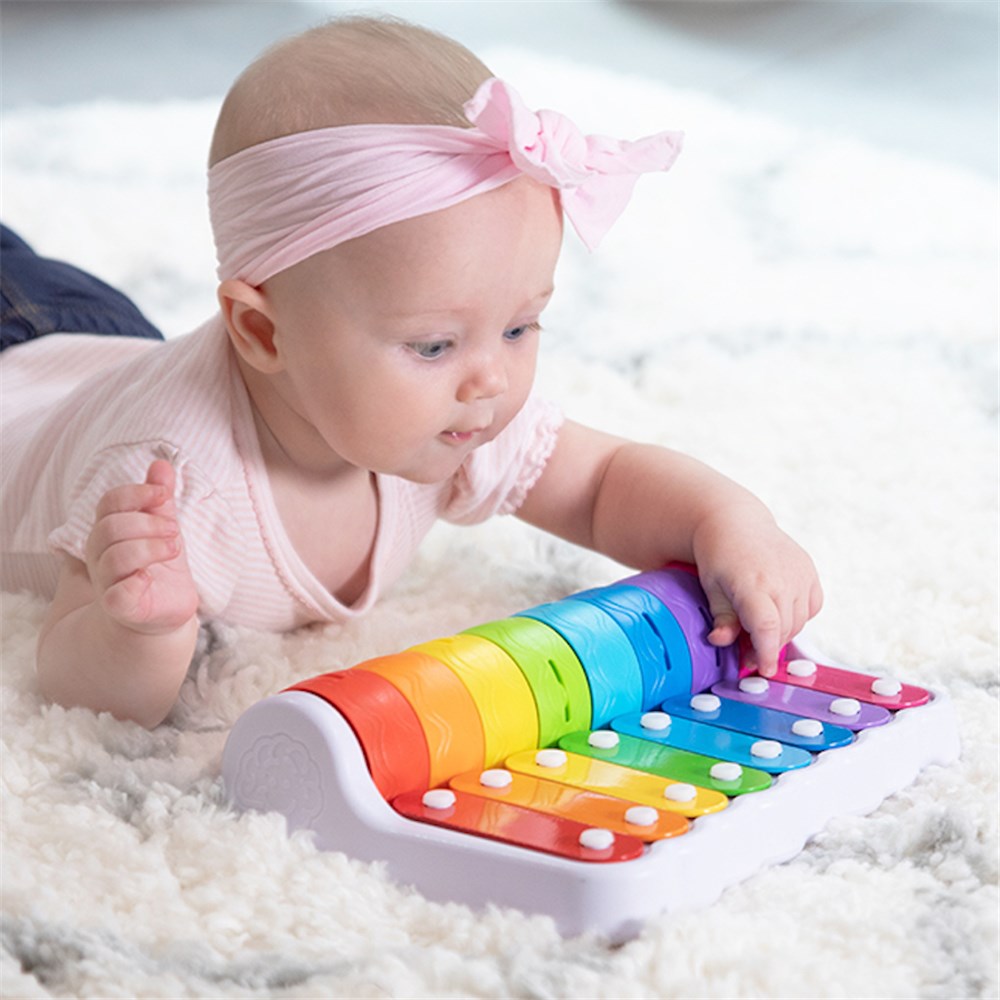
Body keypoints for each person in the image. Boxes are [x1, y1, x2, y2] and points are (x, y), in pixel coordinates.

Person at [0, 15, 822, 728]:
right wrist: (140, 633)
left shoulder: (452, 414)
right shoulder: (173, 486)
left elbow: (601, 482)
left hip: (95, 347)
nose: (490, 379)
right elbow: (76, 688)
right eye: (433, 345)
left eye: (518, 326)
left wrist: (728, 521)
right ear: (261, 330)